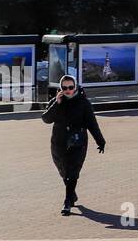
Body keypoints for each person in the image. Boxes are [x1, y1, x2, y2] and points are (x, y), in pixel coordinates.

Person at [42, 75, 106, 215]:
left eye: (71, 87)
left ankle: (67, 201)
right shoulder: (56, 101)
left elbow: (92, 124)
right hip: (59, 142)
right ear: (61, 88)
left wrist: (100, 141)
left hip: (78, 142)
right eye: (65, 88)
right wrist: (56, 104)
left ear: (75, 86)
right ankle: (72, 194)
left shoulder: (83, 103)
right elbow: (46, 119)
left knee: (73, 172)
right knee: (64, 172)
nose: (68, 90)